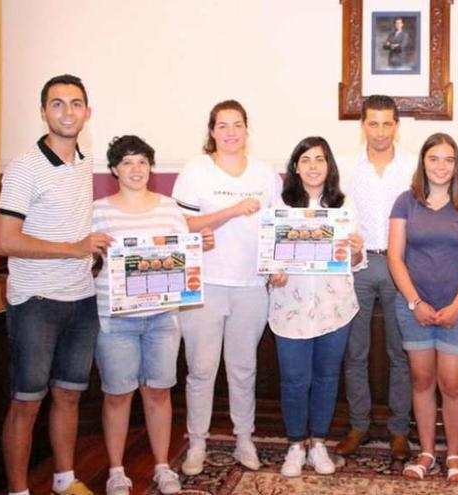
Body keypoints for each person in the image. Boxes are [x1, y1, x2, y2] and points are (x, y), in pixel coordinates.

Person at [0, 74, 111, 495]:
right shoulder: (24, 168)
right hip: (36, 301)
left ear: (87, 112)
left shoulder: (84, 161)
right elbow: (5, 242)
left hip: (81, 298)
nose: (67, 111)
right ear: (43, 112)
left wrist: (90, 249)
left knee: (69, 395)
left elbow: (74, 224)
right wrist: (73, 248)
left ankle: (65, 479)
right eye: (57, 104)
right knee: (27, 401)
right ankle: (19, 490)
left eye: (75, 103)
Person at [91, 136, 215, 495]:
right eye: (127, 162)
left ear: (151, 167)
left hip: (162, 318)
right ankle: (116, 470)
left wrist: (198, 247)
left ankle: (162, 466)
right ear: (114, 169)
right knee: (117, 395)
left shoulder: (168, 207)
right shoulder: (98, 211)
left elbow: (183, 258)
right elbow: (88, 261)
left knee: (159, 393)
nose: (136, 170)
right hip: (114, 320)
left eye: (142, 162)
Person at [171, 100, 282, 475]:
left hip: (252, 286)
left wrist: (276, 268)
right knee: (201, 369)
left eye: (237, 125)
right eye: (223, 125)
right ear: (212, 131)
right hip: (204, 285)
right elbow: (182, 224)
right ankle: (197, 443)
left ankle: (243, 438)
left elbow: (278, 228)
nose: (231, 132)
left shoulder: (266, 175)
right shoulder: (195, 171)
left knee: (243, 367)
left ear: (246, 130)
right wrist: (232, 211)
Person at [267, 137, 365, 478]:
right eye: (305, 159)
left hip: (334, 306)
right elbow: (267, 254)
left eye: (319, 159)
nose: (312, 166)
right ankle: (296, 445)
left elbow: (356, 256)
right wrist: (273, 272)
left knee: (325, 377)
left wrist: (354, 250)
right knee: (295, 379)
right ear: (295, 166)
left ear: (329, 165)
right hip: (289, 306)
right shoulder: (279, 203)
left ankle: (319, 443)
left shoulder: (344, 204)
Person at [387, 133, 458, 482]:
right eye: (434, 159)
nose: (441, 166)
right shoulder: (404, 202)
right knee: (422, 379)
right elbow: (395, 258)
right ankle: (427, 452)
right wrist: (415, 303)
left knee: (453, 383)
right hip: (414, 308)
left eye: (448, 160)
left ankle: (454, 454)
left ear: (457, 165)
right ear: (423, 162)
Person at [336, 95, 415, 460]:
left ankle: (399, 430)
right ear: (362, 126)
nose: (380, 132)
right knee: (356, 352)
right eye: (373, 123)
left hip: (401, 265)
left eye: (387, 123)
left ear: (397, 126)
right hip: (358, 265)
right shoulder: (345, 167)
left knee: (400, 352)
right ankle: (359, 425)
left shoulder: (414, 167)